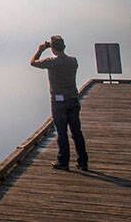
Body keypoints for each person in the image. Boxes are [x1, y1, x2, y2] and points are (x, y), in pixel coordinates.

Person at [30, 35, 89, 171]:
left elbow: (33, 62)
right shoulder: (73, 61)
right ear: (64, 47)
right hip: (73, 100)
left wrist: (40, 50)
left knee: (62, 133)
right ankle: (83, 162)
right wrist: (52, 47)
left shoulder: (51, 62)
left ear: (52, 48)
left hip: (59, 102)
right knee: (77, 132)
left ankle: (63, 162)